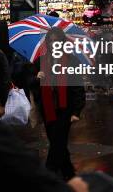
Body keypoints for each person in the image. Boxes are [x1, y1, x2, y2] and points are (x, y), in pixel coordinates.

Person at [32, 28, 86, 181]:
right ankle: (69, 174)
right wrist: (37, 78)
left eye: (57, 42)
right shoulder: (40, 61)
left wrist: (77, 111)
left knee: (57, 142)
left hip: (65, 109)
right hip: (48, 109)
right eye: (51, 42)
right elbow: (26, 80)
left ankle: (48, 175)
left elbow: (77, 86)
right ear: (48, 44)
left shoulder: (71, 60)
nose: (54, 45)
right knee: (58, 143)